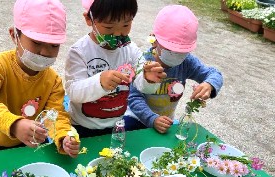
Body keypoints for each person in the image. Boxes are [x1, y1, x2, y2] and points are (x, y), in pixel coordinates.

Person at [0, 0, 80, 157]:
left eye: (54, 46)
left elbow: (55, 115)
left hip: (30, 140)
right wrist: (14, 124)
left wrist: (64, 136)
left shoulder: (53, 81)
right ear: (14, 35)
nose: (45, 52)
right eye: (36, 42)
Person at [64, 0, 165, 138]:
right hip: (82, 126)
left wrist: (149, 79)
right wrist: (99, 82)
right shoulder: (79, 51)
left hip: (116, 125)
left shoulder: (130, 50)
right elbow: (73, 91)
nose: (118, 33)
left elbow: (143, 86)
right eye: (109, 27)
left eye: (126, 25)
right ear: (89, 19)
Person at [124, 5, 223, 133]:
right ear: (154, 40)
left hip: (165, 122)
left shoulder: (186, 62)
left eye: (183, 51)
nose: (177, 55)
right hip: (137, 118)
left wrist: (209, 84)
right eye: (170, 50)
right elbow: (134, 97)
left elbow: (214, 73)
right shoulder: (144, 63)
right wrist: (152, 119)